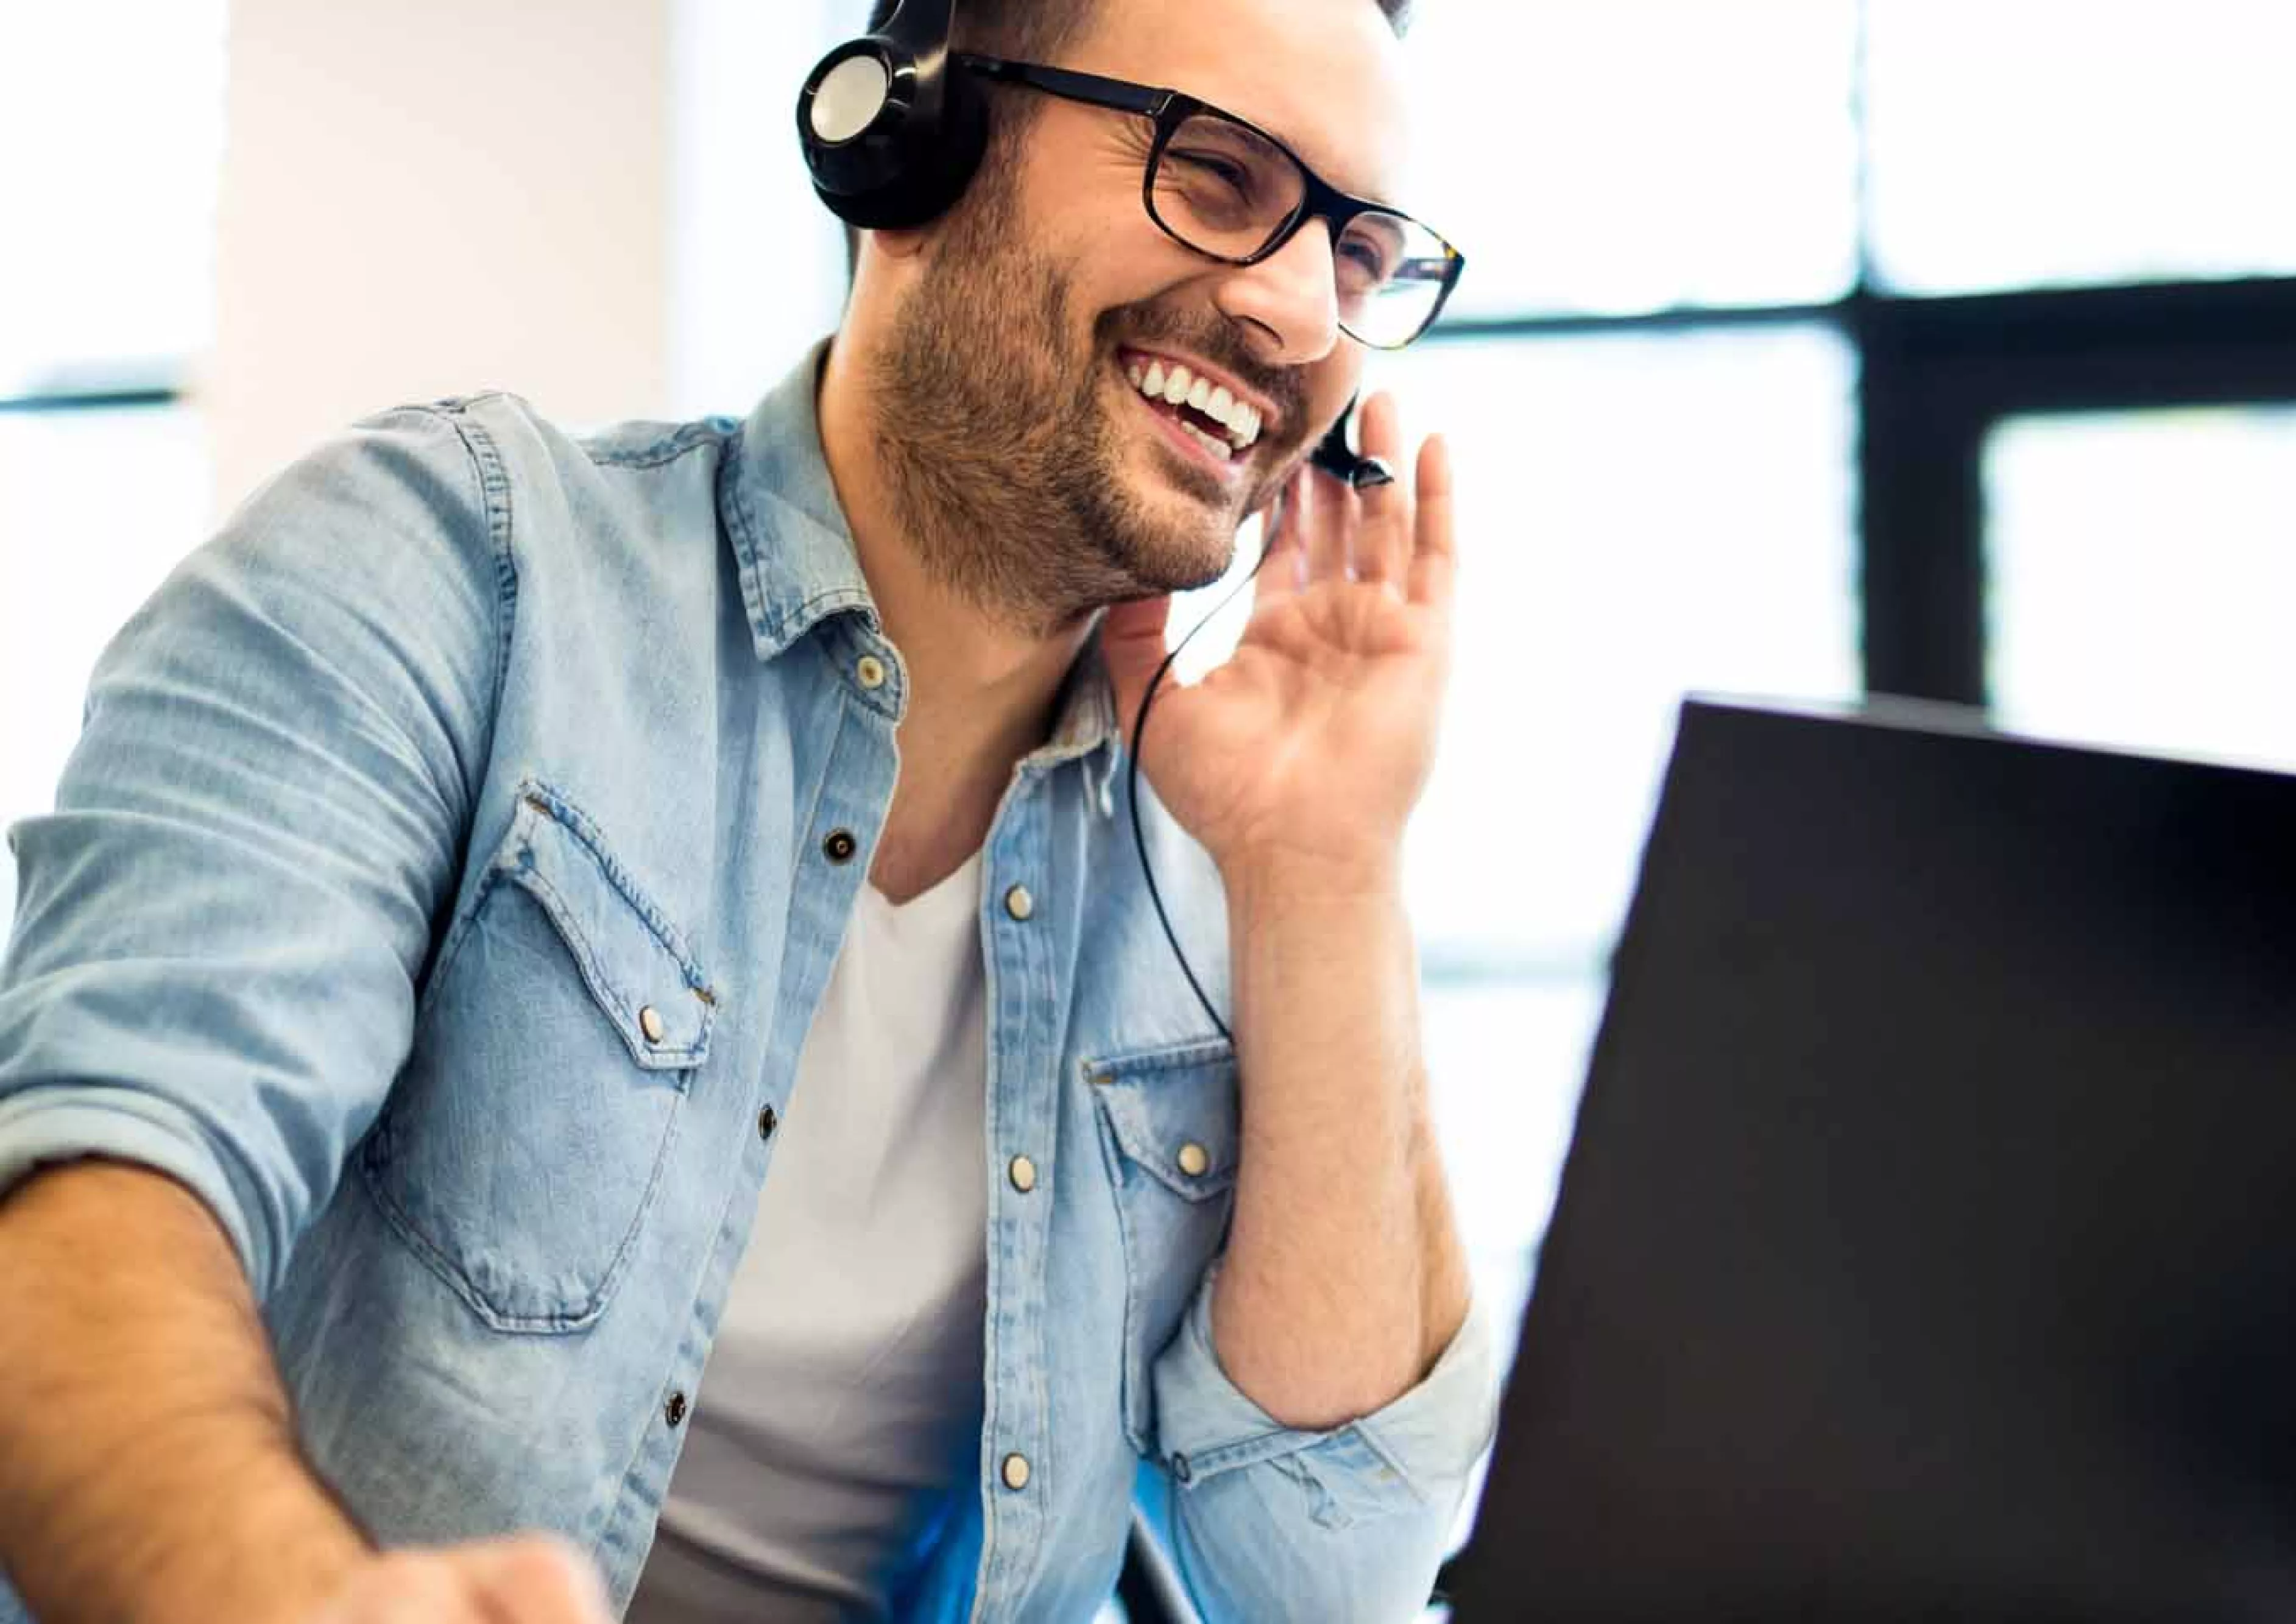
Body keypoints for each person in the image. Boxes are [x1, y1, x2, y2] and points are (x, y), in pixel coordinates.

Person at [0, 0, 1493, 1618]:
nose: (1293, 310)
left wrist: (1327, 874)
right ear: (909, 134)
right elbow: (88, 1212)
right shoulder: (452, 570)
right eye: (1214, 175)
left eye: (1359, 255)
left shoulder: (1238, 847)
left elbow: (1328, 1583)